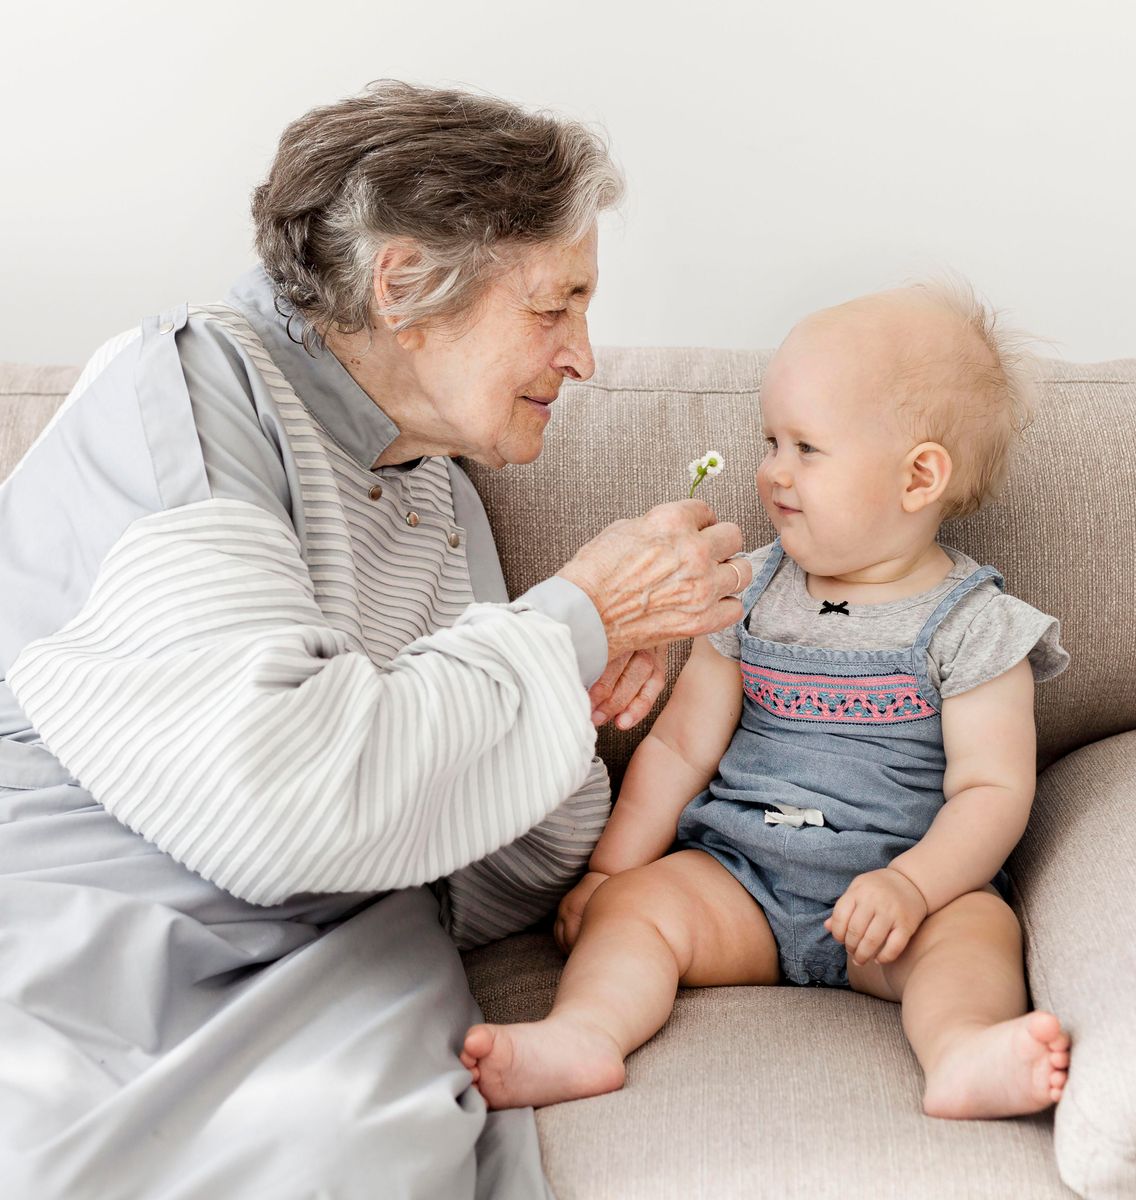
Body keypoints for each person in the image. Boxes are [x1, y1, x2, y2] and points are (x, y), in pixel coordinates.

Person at [0, 82, 751, 1199]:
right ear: (404, 287)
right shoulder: (192, 392)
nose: (584, 356)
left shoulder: (435, 486)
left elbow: (476, 881)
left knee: (368, 1142)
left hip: (346, 956)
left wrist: (575, 695)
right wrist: (569, 628)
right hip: (105, 920)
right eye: (557, 305)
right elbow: (272, 803)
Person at [461, 278, 1074, 1121]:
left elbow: (993, 791)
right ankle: (584, 1033)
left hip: (892, 907)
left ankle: (963, 1045)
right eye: (770, 441)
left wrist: (915, 887)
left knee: (977, 933)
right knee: (639, 911)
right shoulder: (746, 589)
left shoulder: (976, 627)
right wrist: (612, 870)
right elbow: (680, 749)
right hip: (739, 882)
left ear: (918, 476)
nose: (772, 471)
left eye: (807, 448)